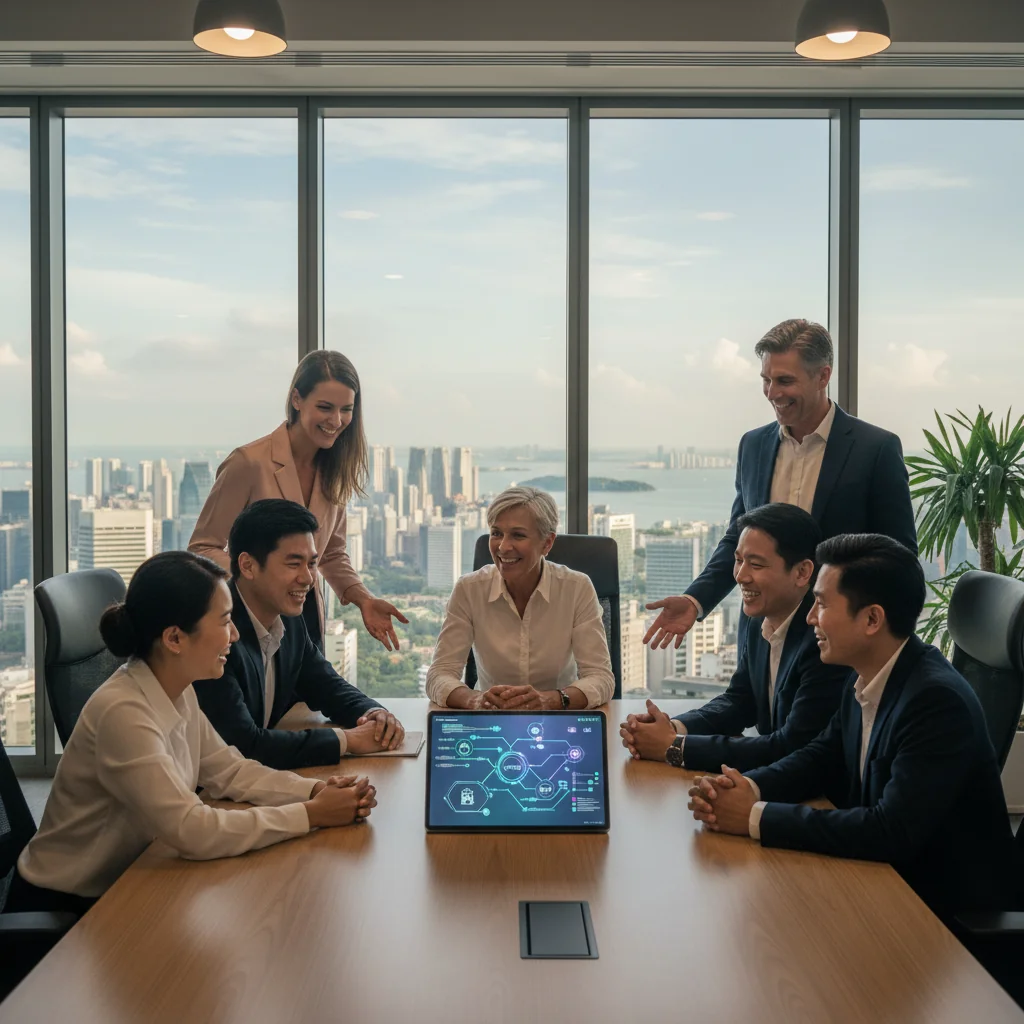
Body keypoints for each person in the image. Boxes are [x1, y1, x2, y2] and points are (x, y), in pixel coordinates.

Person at [8, 551, 376, 914]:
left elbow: (229, 771)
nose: (234, 634)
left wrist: (314, 790)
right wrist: (310, 814)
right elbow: (191, 830)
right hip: (67, 909)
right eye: (224, 621)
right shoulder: (123, 712)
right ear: (174, 639)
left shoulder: (175, 687)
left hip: (131, 879)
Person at [687, 533, 1015, 922]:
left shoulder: (935, 703)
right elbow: (820, 757)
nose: (810, 618)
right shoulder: (867, 674)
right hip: (882, 884)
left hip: (938, 917)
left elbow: (889, 830)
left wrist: (754, 816)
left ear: (872, 619)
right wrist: (747, 787)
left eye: (822, 604)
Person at [643, 319, 917, 653]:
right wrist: (695, 599)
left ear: (823, 376)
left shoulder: (875, 449)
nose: (772, 393)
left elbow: (898, 557)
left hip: (839, 640)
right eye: (767, 380)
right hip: (762, 634)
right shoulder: (753, 445)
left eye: (785, 380)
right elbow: (738, 538)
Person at [189, 350, 407, 652]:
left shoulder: (335, 470)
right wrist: (259, 579)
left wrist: (364, 599)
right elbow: (202, 548)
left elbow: (330, 554)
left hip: (306, 622)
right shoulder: (248, 463)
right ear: (296, 400)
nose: (336, 420)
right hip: (249, 621)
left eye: (346, 409)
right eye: (325, 407)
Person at [619, 503, 852, 771]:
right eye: (738, 560)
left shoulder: (823, 640)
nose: (740, 576)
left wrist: (674, 747)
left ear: (802, 572)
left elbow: (791, 746)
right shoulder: (759, 620)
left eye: (755, 564)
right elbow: (740, 701)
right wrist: (671, 727)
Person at [194, 499, 405, 770]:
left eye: (312, 564)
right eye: (294, 564)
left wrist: (373, 714)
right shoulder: (218, 633)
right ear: (247, 566)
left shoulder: (289, 620)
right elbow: (242, 745)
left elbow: (325, 685)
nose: (308, 578)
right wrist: (346, 741)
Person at [426, 486, 614, 710]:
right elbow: (439, 675)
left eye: (518, 535)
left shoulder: (577, 588)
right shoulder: (469, 589)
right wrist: (475, 699)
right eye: (496, 533)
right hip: (491, 719)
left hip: (558, 719)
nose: (503, 547)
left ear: (547, 543)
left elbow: (601, 678)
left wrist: (550, 699)